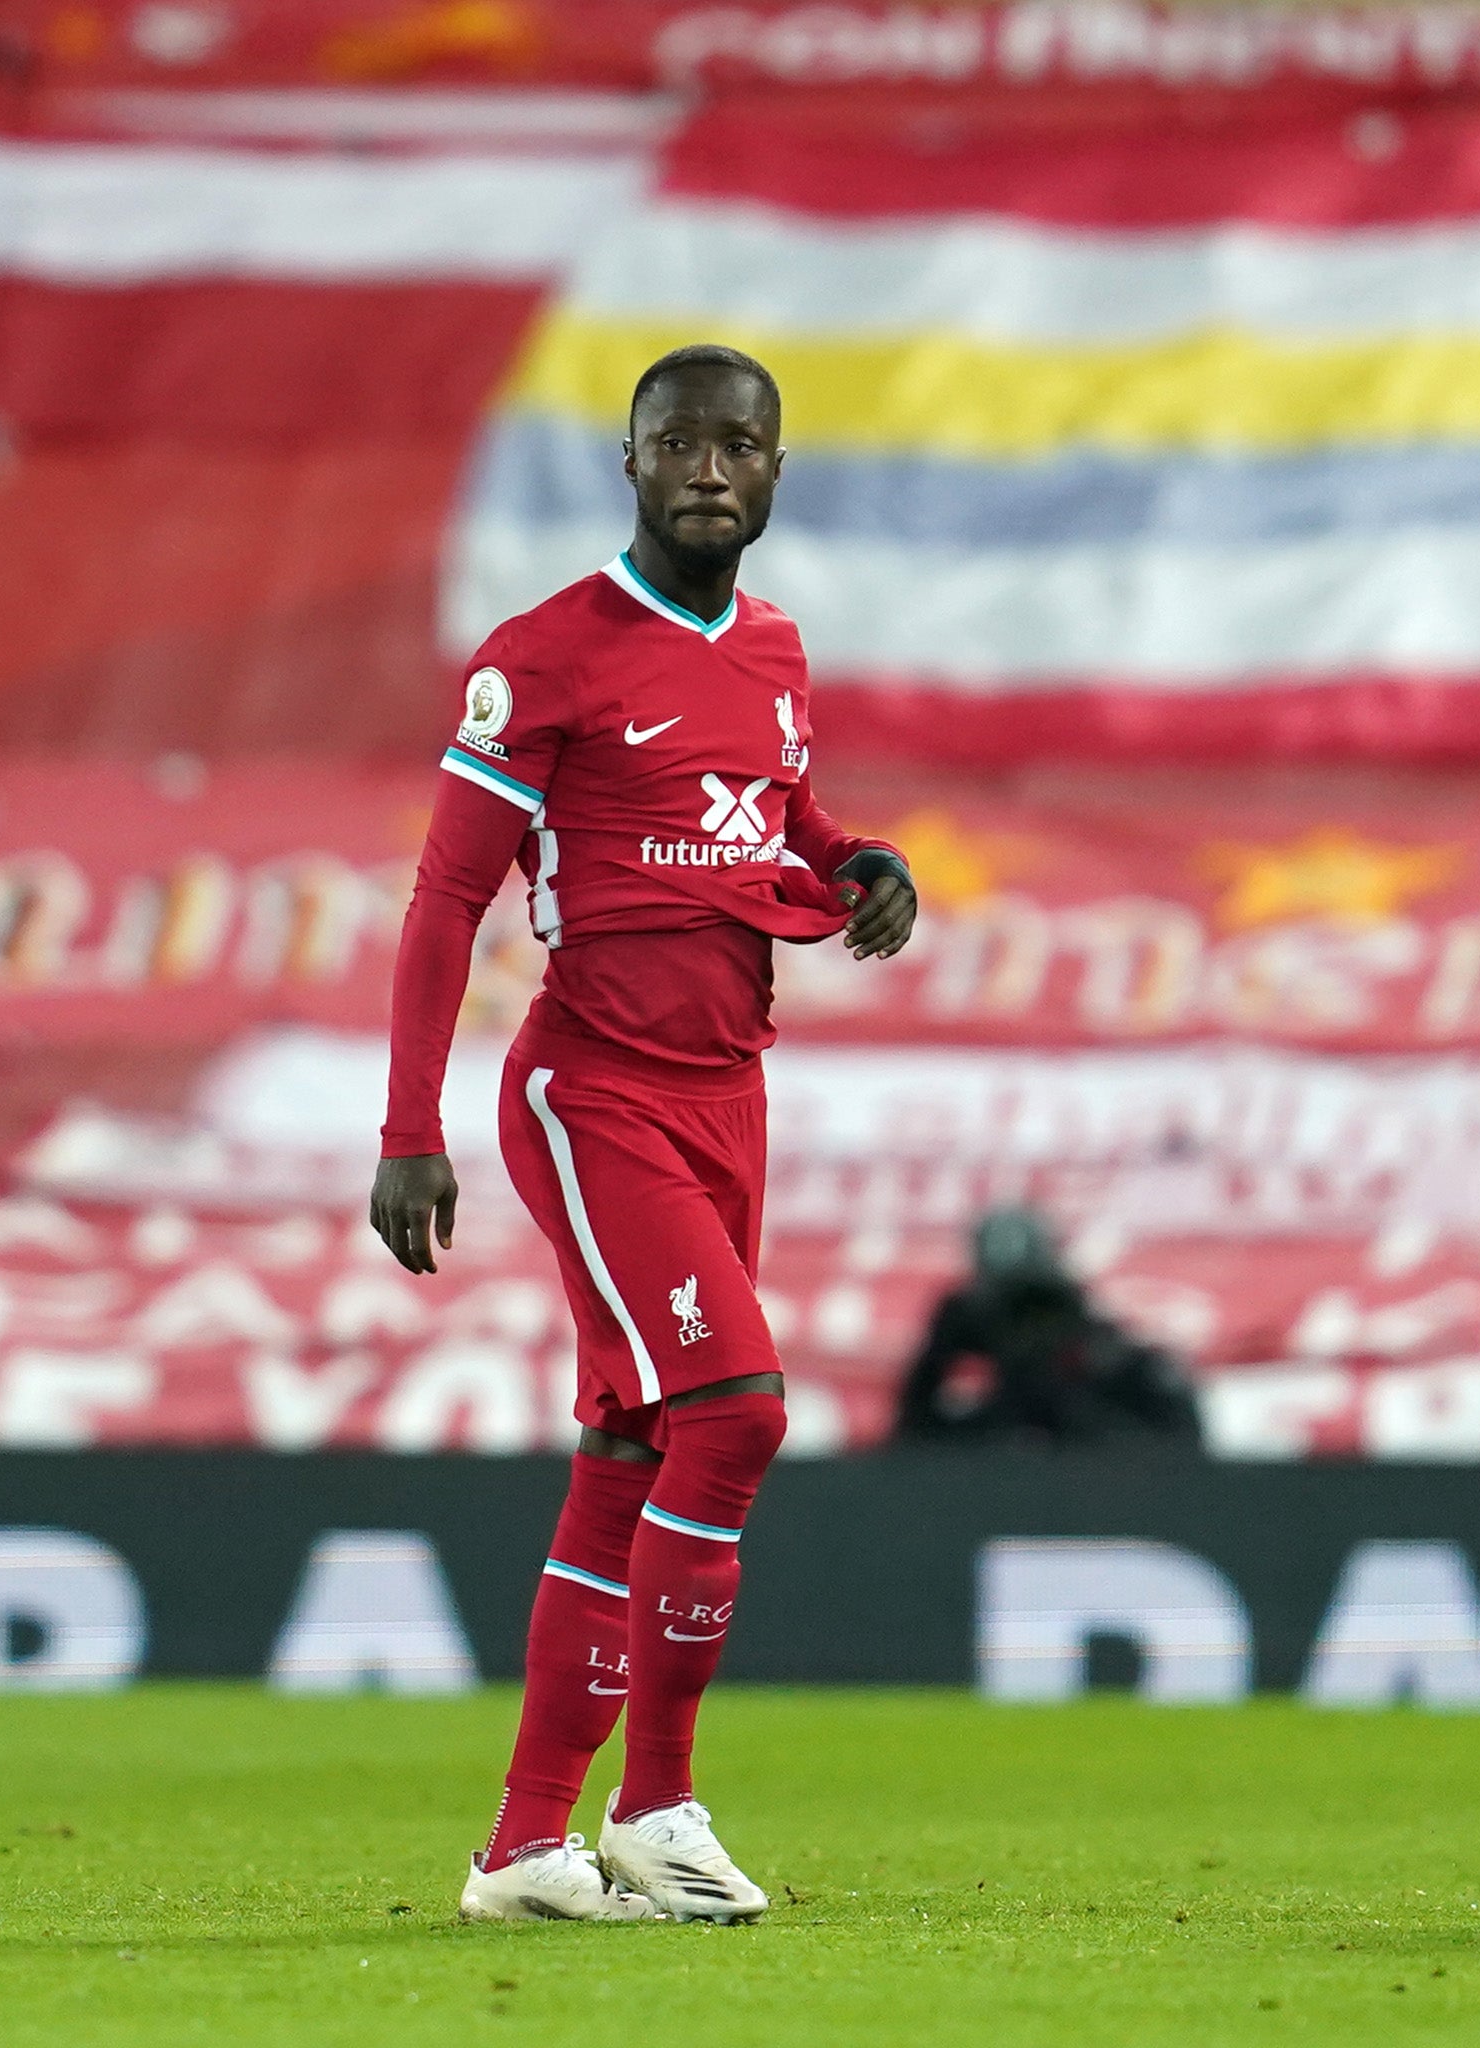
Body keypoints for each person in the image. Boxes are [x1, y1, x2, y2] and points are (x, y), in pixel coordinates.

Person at [370, 344, 918, 1925]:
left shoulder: (774, 651)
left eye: (735, 446)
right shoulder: (543, 656)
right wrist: (414, 1128)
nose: (705, 468)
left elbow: (780, 820)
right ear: (628, 463)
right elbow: (445, 900)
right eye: (675, 442)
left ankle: (525, 1853)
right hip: (591, 1086)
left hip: (730, 1090)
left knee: (628, 1448)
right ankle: (659, 1806)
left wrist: (859, 859)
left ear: (771, 473)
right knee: (734, 1414)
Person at [893, 1208, 1201, 1447]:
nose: (1027, 1327)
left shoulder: (1117, 1363)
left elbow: (1174, 1443)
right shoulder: (993, 1413)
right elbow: (912, 1430)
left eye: (1038, 1308)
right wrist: (945, 1344)